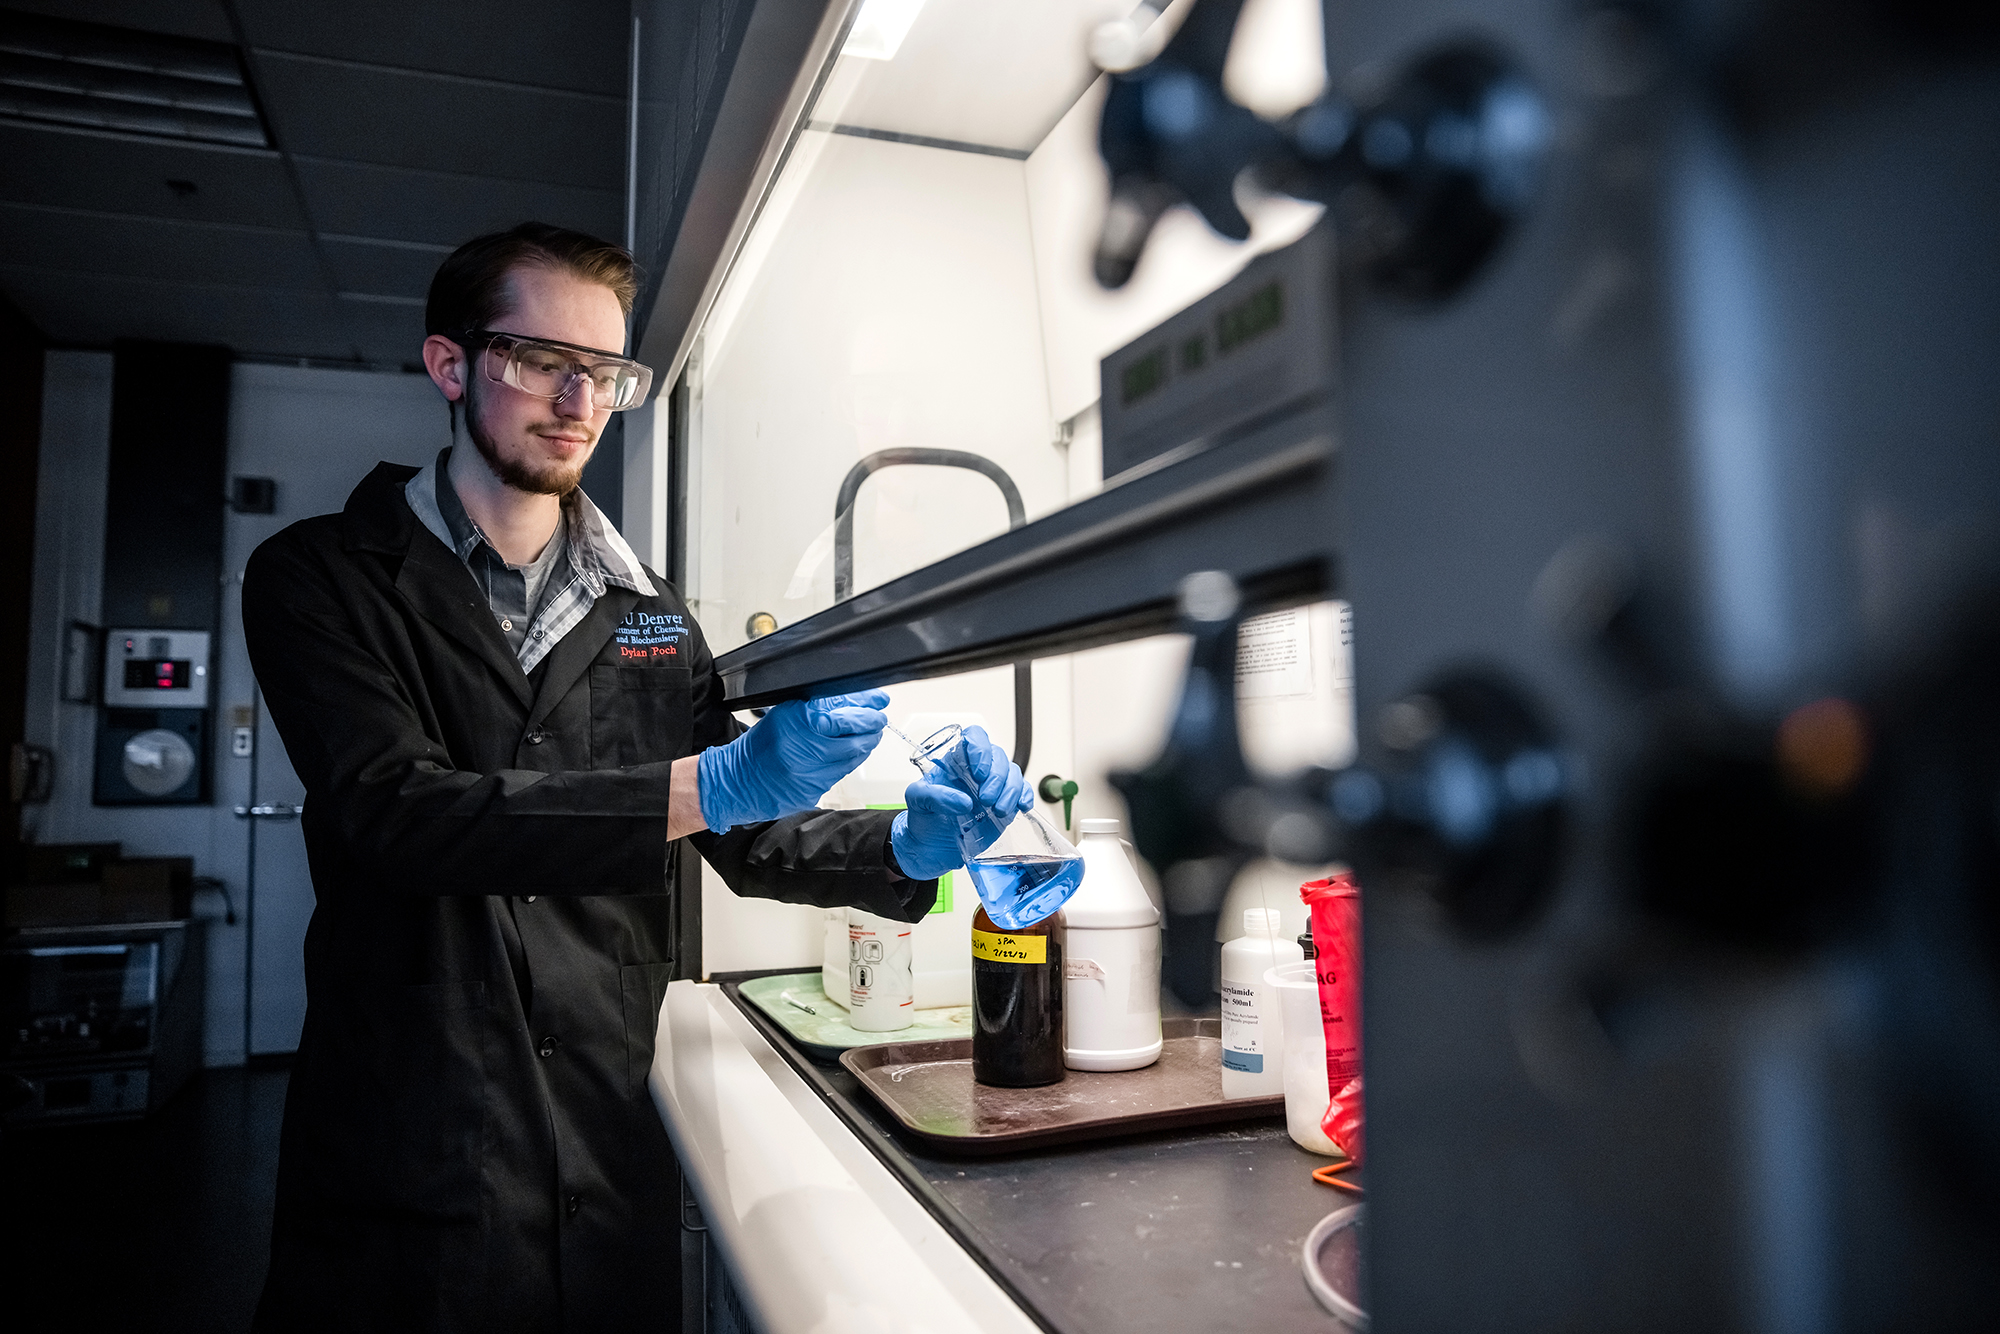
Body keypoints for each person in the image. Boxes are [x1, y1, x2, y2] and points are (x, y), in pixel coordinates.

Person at [242, 221, 1030, 1331]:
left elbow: (748, 838)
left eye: (604, 372)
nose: (577, 400)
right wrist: (710, 783)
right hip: (411, 1116)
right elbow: (398, 814)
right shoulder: (320, 575)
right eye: (537, 361)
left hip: (604, 1120)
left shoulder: (648, 614)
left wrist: (907, 844)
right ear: (451, 364)